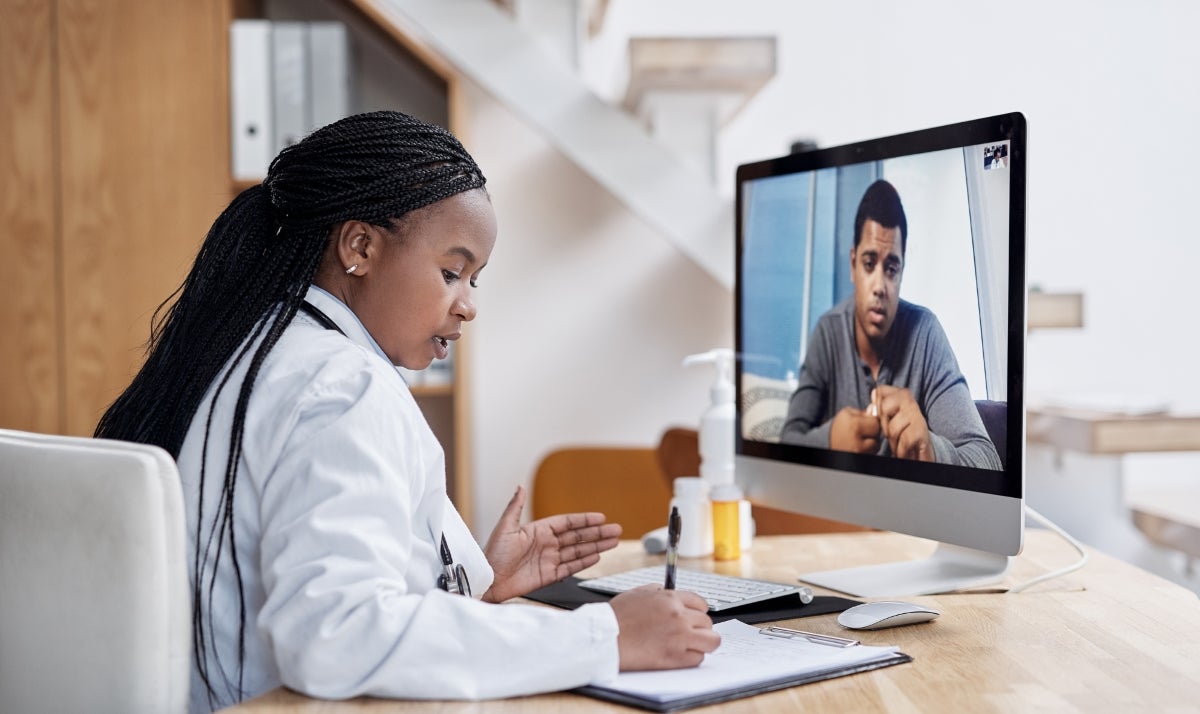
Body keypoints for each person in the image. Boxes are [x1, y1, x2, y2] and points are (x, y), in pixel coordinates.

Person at [95, 111, 720, 713]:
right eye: (452, 271)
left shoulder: (265, 349)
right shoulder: (343, 387)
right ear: (360, 246)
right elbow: (335, 635)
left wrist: (477, 580)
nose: (468, 304)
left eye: (475, 280)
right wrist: (606, 636)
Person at [780, 179, 1002, 470]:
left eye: (891, 269)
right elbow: (786, 443)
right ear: (852, 265)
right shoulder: (828, 332)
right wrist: (830, 439)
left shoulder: (926, 333)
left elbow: (989, 460)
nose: (880, 287)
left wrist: (930, 449)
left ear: (902, 273)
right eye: (869, 264)